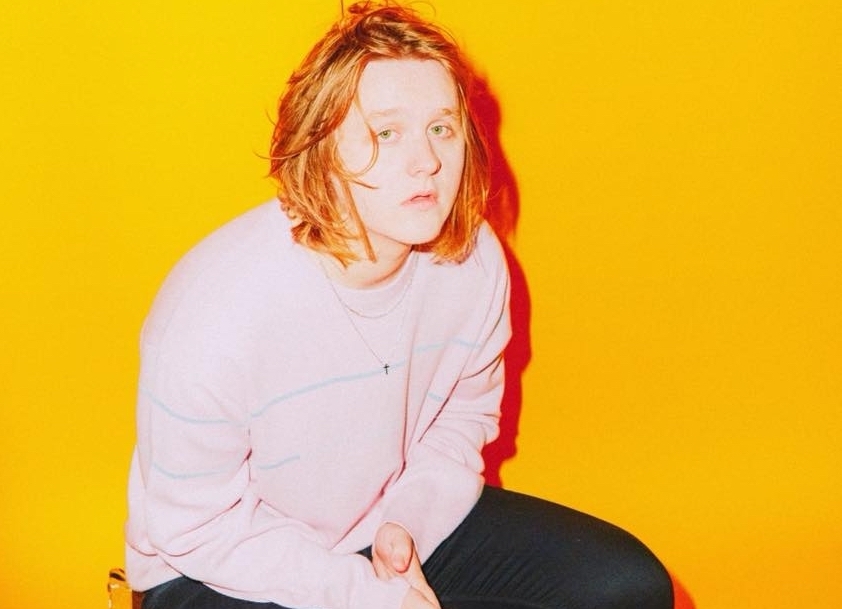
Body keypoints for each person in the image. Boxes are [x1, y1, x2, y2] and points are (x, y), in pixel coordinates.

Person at [124, 2, 674, 608]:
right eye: (386, 133)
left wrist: (406, 527)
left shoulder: (473, 261)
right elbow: (197, 529)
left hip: (383, 527)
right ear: (319, 149)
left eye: (442, 128)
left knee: (629, 588)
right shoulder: (216, 310)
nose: (428, 161)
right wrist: (367, 597)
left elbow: (462, 420)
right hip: (215, 565)